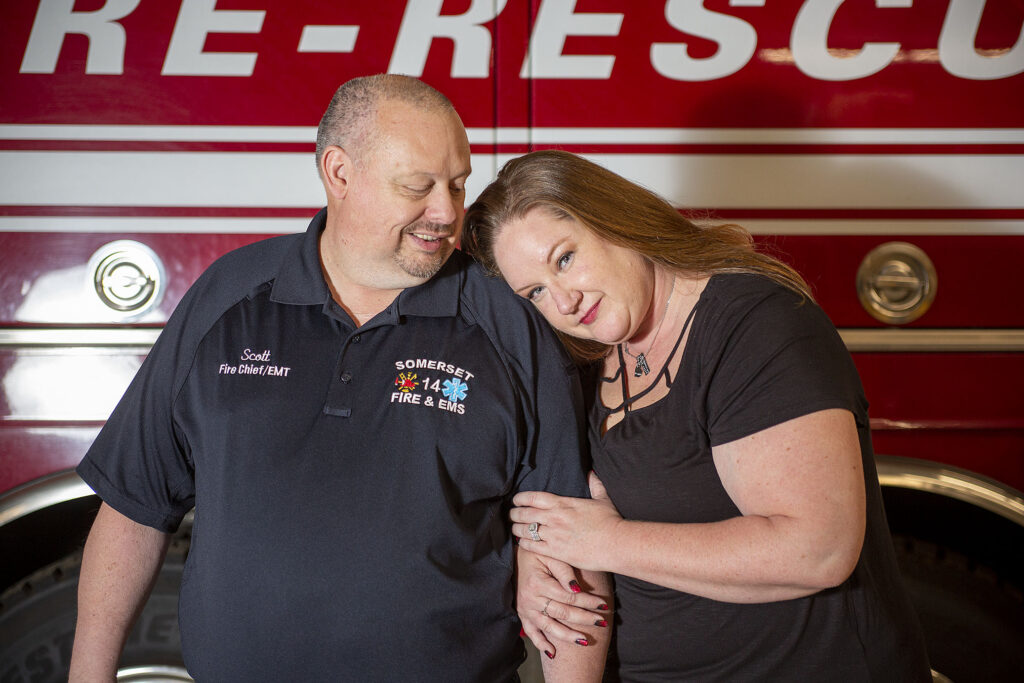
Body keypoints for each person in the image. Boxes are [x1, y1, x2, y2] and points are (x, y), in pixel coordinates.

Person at [69, 76, 610, 682]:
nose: (448, 213)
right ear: (339, 172)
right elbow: (134, 507)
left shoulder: (506, 317)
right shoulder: (230, 296)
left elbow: (570, 553)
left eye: (458, 185)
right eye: (418, 186)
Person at [462, 149, 932, 681]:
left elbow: (817, 551)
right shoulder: (592, 359)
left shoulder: (754, 326)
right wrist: (537, 561)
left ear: (615, 221)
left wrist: (605, 541)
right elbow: (573, 521)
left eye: (565, 259)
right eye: (536, 292)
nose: (564, 302)